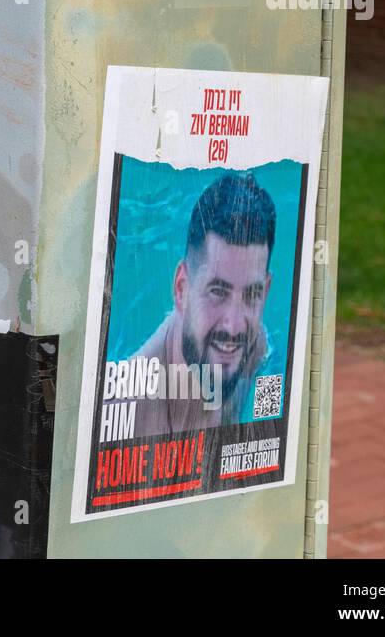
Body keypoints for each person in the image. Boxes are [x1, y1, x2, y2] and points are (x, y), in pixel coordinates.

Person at [115, 172, 275, 438]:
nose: (234, 326)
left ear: (266, 291)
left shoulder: (256, 349)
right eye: (218, 291)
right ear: (181, 289)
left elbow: (267, 426)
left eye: (252, 294)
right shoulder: (128, 409)